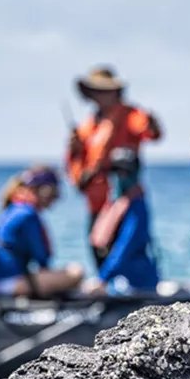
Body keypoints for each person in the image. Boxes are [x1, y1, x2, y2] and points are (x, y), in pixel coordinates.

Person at [65, 66, 162, 269]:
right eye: (96, 91)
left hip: (122, 199)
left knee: (127, 252)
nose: (101, 96)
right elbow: (76, 165)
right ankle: (104, 283)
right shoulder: (88, 125)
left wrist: (152, 124)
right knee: (100, 253)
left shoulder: (129, 114)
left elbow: (150, 132)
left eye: (106, 91)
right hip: (95, 202)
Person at [0, 166, 84, 298]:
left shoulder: (14, 207)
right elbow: (42, 259)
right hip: (9, 282)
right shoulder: (28, 214)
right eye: (53, 191)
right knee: (76, 272)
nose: (56, 197)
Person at [82, 148, 160, 296]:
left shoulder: (137, 206)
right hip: (119, 280)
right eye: (116, 172)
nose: (120, 176)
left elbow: (125, 246)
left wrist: (102, 278)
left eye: (125, 172)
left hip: (135, 282)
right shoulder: (117, 203)